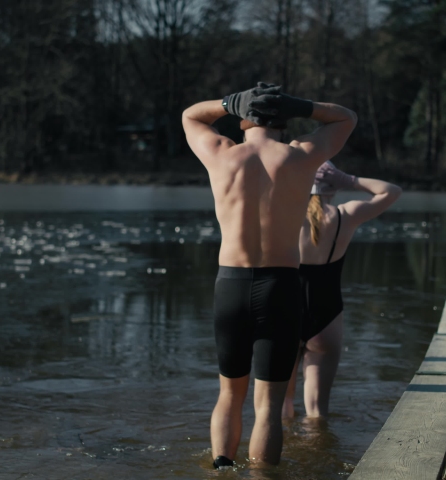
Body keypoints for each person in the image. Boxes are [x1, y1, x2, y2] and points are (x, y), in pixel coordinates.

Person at [181, 83, 357, 468]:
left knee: (229, 395)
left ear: (244, 120)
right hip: (280, 286)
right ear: (284, 122)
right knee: (268, 407)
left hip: (231, 285)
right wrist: (303, 106)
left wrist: (227, 103)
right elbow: (346, 117)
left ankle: (222, 470)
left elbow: (190, 115)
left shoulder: (221, 154)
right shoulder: (300, 157)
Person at [283, 161, 402, 419]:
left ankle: (289, 456)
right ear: (333, 187)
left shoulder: (284, 214)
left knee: (281, 408)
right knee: (317, 413)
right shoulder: (345, 215)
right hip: (326, 316)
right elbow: (391, 191)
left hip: (285, 313)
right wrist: (348, 179)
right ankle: (318, 454)